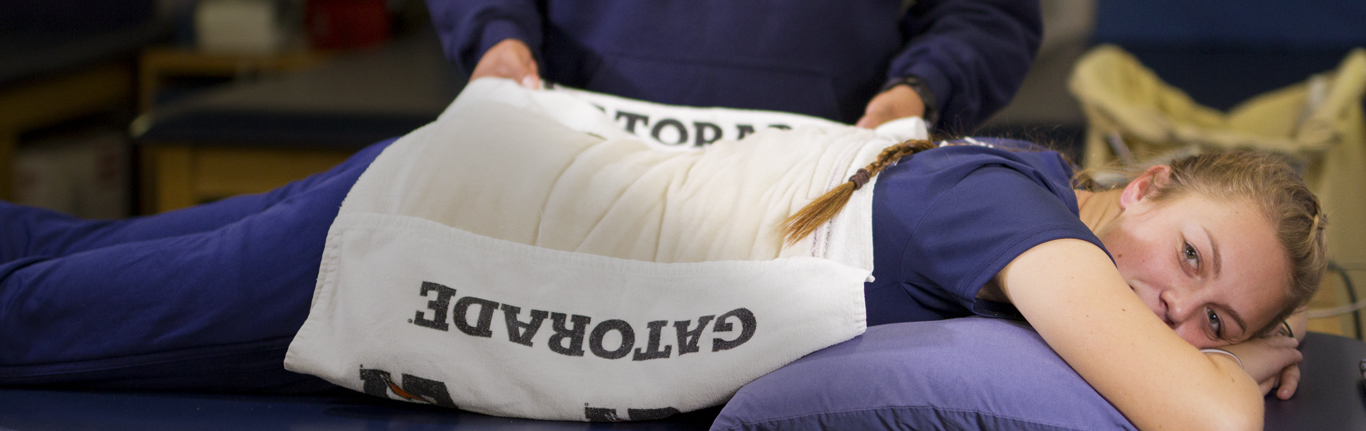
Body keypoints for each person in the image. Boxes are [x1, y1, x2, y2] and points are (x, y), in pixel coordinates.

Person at [0, 99, 1323, 428]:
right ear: (1141, 181)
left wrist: (1212, 339)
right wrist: (1243, 357)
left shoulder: (1011, 180)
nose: (1172, 306)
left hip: (471, 177)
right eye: (1188, 254)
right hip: (447, 231)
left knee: (60, 254)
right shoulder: (1018, 217)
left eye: (1210, 309)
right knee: (39, 322)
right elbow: (1199, 415)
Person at [428, 0, 1042, 133]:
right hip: (577, 154)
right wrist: (494, 38)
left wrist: (920, 91)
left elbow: (986, 14)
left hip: (817, 191)